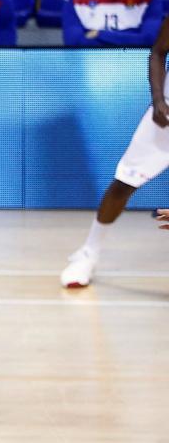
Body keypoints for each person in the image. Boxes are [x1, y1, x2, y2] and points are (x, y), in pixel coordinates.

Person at [61, 14, 169, 287]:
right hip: (166, 114)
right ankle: (88, 253)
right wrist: (157, 100)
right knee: (124, 183)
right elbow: (158, 52)